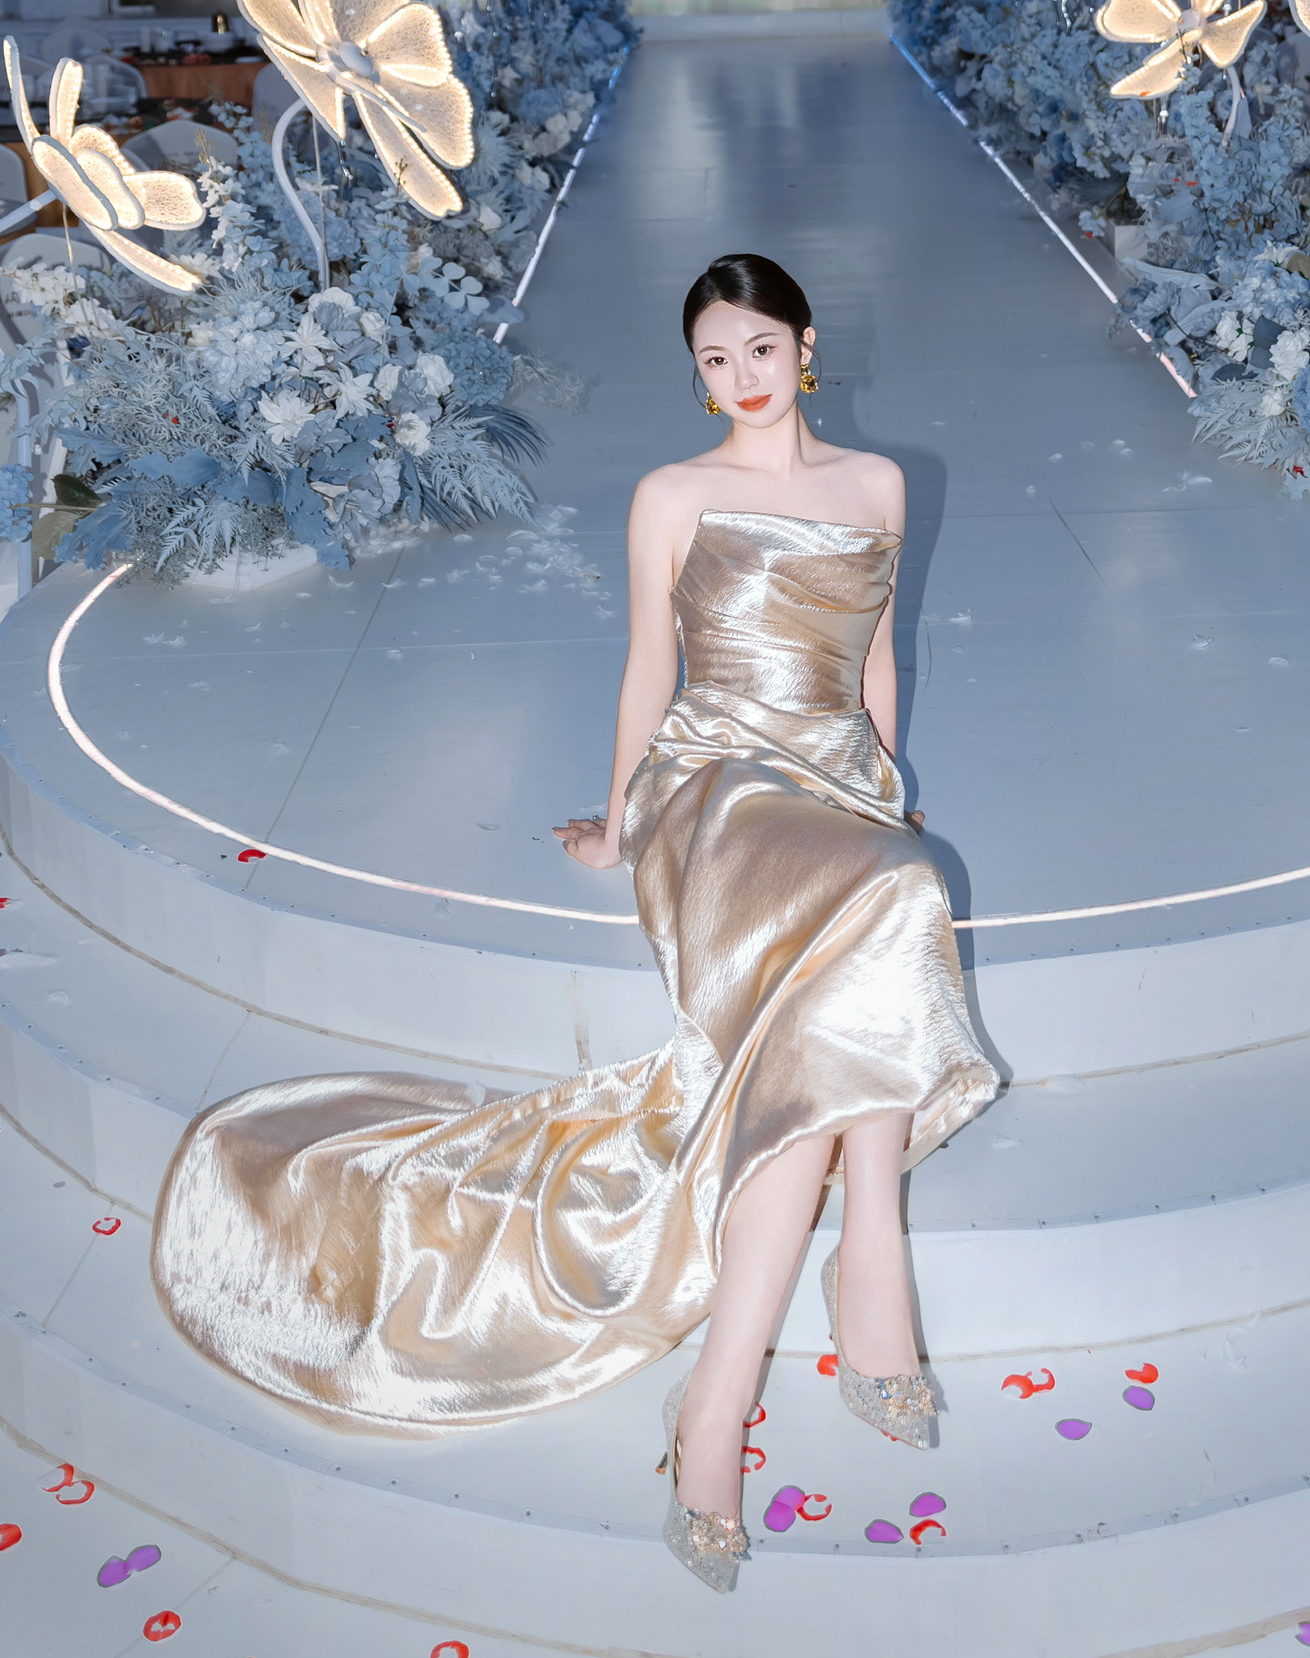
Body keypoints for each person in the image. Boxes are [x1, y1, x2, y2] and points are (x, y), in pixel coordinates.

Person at [151, 253, 997, 1597]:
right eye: (713, 359)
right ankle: (865, 1273)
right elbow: (649, 668)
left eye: (759, 349)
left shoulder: (876, 486)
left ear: (803, 346)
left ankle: (720, 1396)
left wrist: (879, 790)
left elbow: (877, 656)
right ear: (697, 374)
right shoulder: (673, 494)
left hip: (834, 778)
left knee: (884, 893)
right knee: (894, 899)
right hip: (716, 784)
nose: (740, 377)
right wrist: (619, 822)